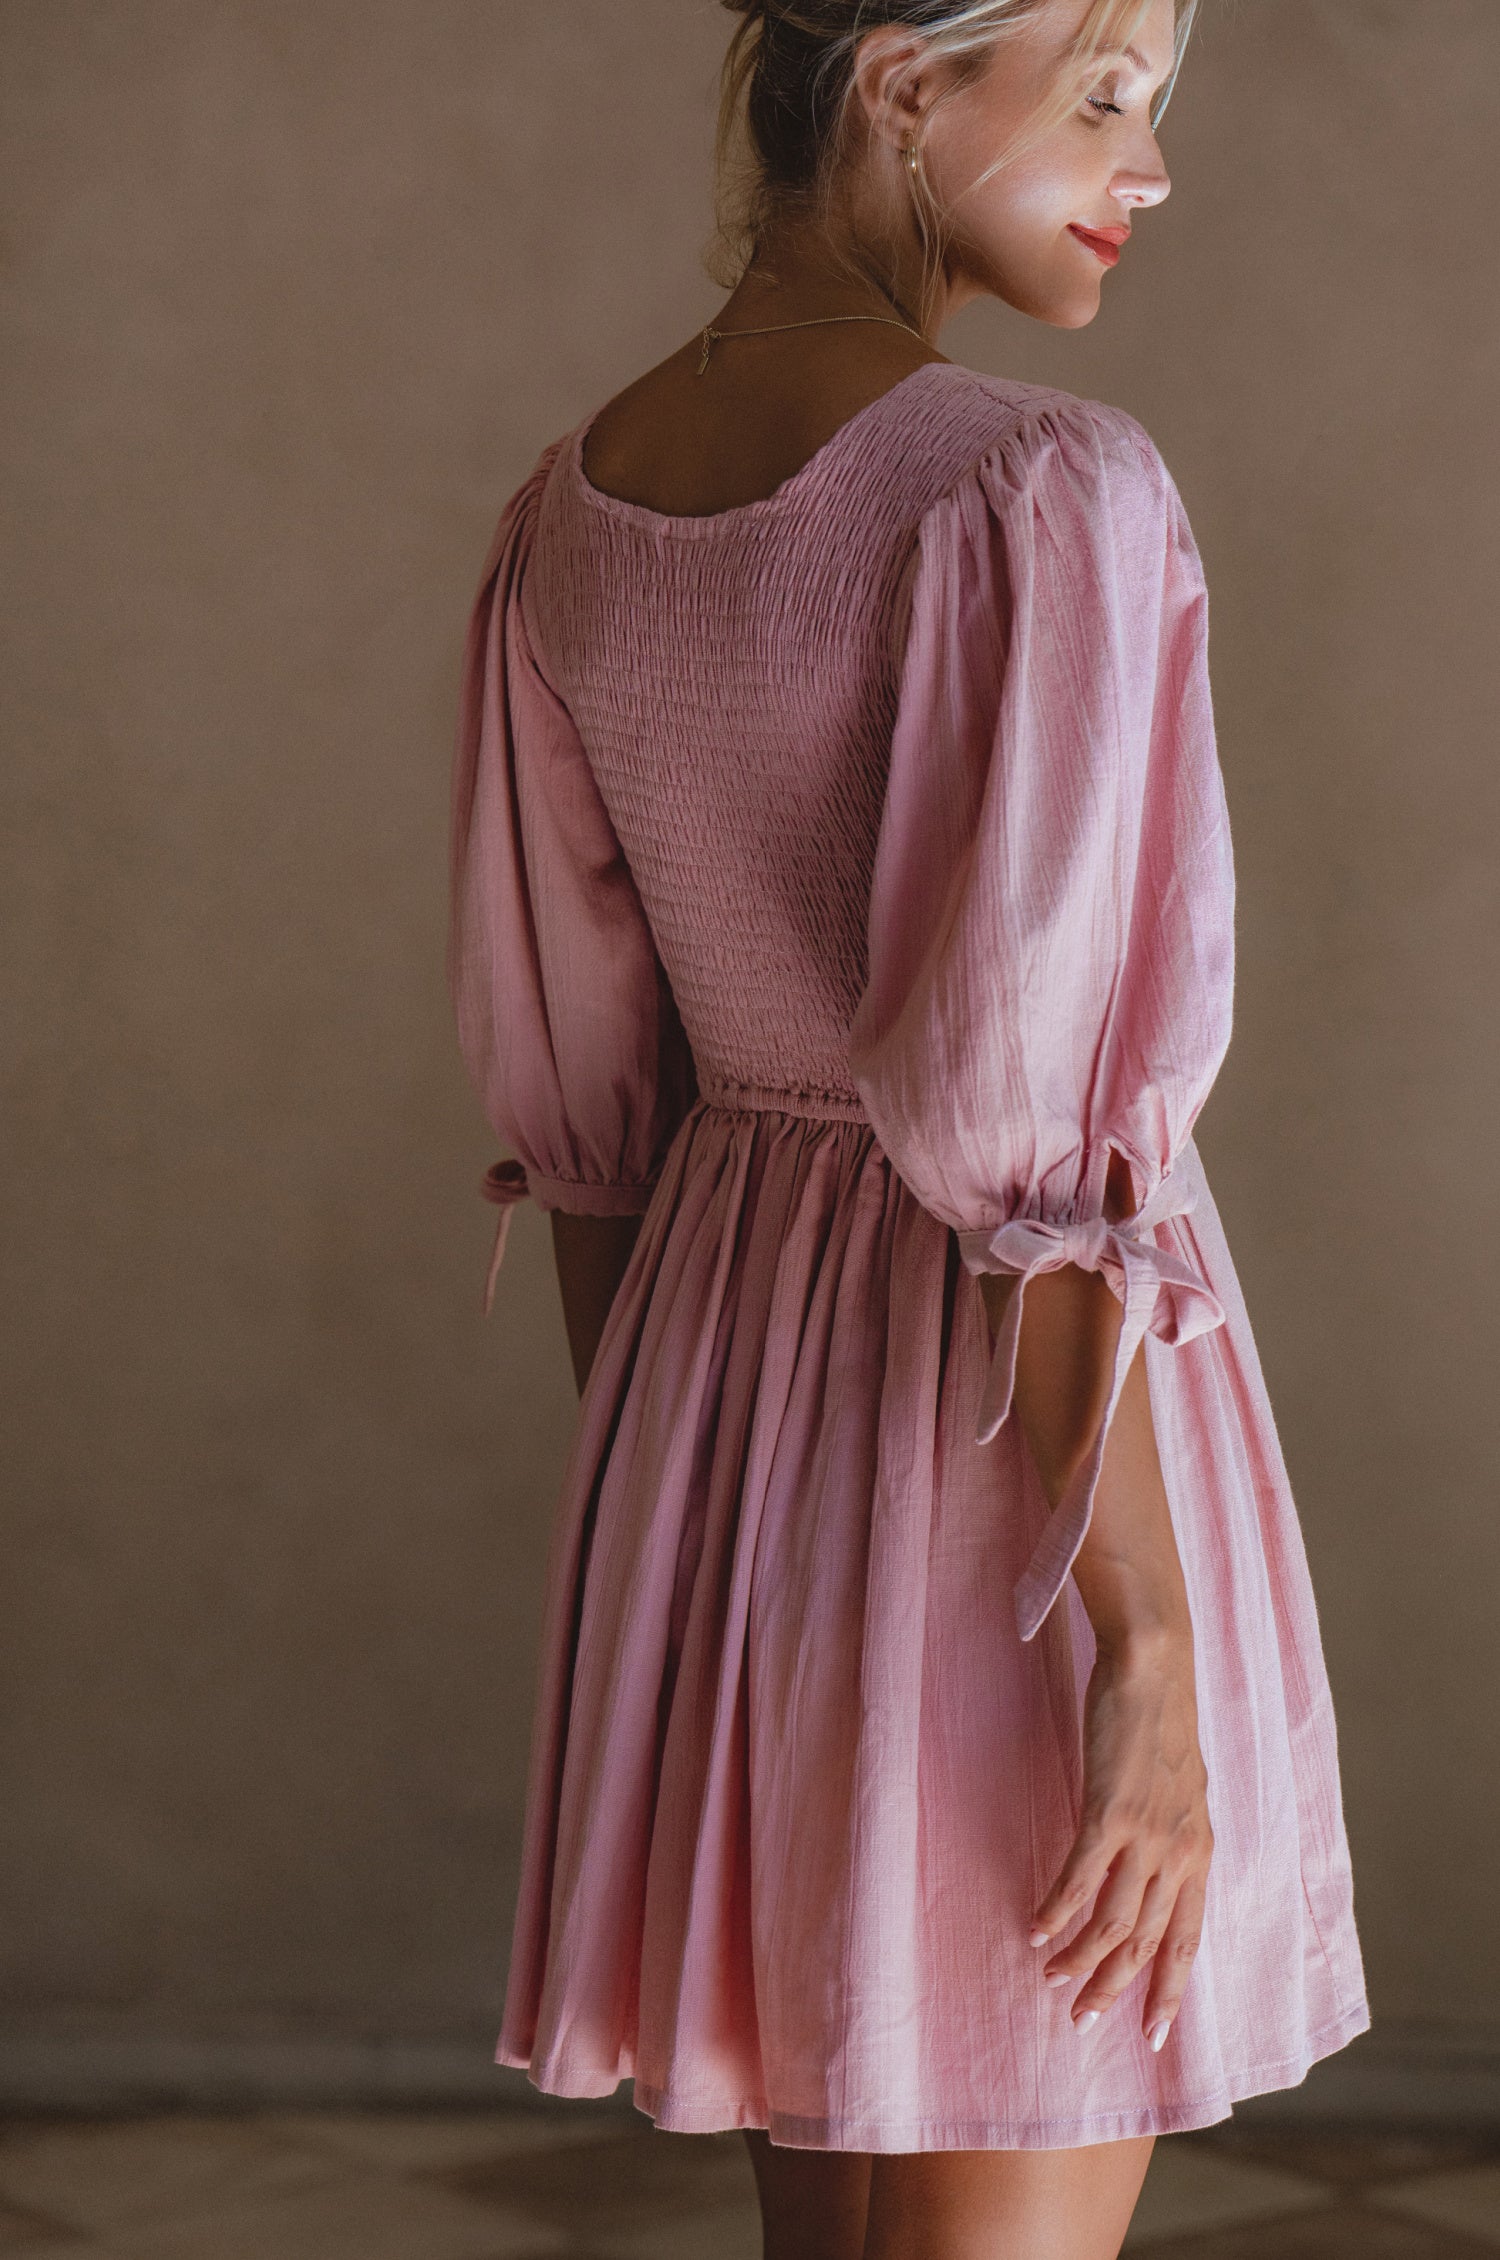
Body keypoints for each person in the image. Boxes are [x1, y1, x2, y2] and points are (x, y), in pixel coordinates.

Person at [447, 0, 1369, 2251]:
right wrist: (1145, 1641)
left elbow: (594, 1121)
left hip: (717, 1423)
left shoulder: (568, 516)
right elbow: (1025, 1137)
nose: (1150, 168)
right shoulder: (1038, 489)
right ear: (901, 80)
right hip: (1021, 1470)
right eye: (1107, 95)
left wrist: (689, 1551)